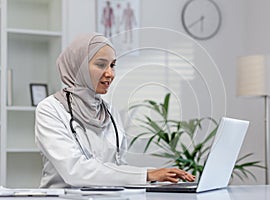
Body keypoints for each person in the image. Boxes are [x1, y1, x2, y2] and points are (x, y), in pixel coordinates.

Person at [34, 33, 195, 188]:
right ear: (78, 66)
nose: (110, 73)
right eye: (101, 64)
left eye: (112, 65)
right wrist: (146, 174)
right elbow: (75, 171)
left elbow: (117, 168)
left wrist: (160, 176)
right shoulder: (50, 109)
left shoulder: (109, 112)